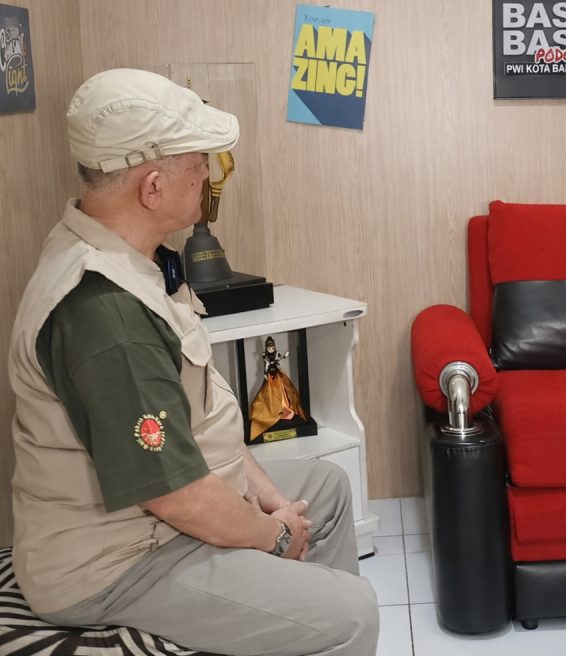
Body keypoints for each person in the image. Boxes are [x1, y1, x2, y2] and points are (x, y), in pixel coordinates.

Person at [7, 68, 378, 655]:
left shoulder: (132, 256)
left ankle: (296, 626)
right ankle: (320, 624)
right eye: (200, 162)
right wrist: (274, 536)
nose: (208, 174)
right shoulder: (105, 314)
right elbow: (175, 496)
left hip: (160, 512)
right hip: (118, 560)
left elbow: (195, 424)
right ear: (152, 187)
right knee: (353, 614)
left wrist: (268, 496)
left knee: (325, 488)